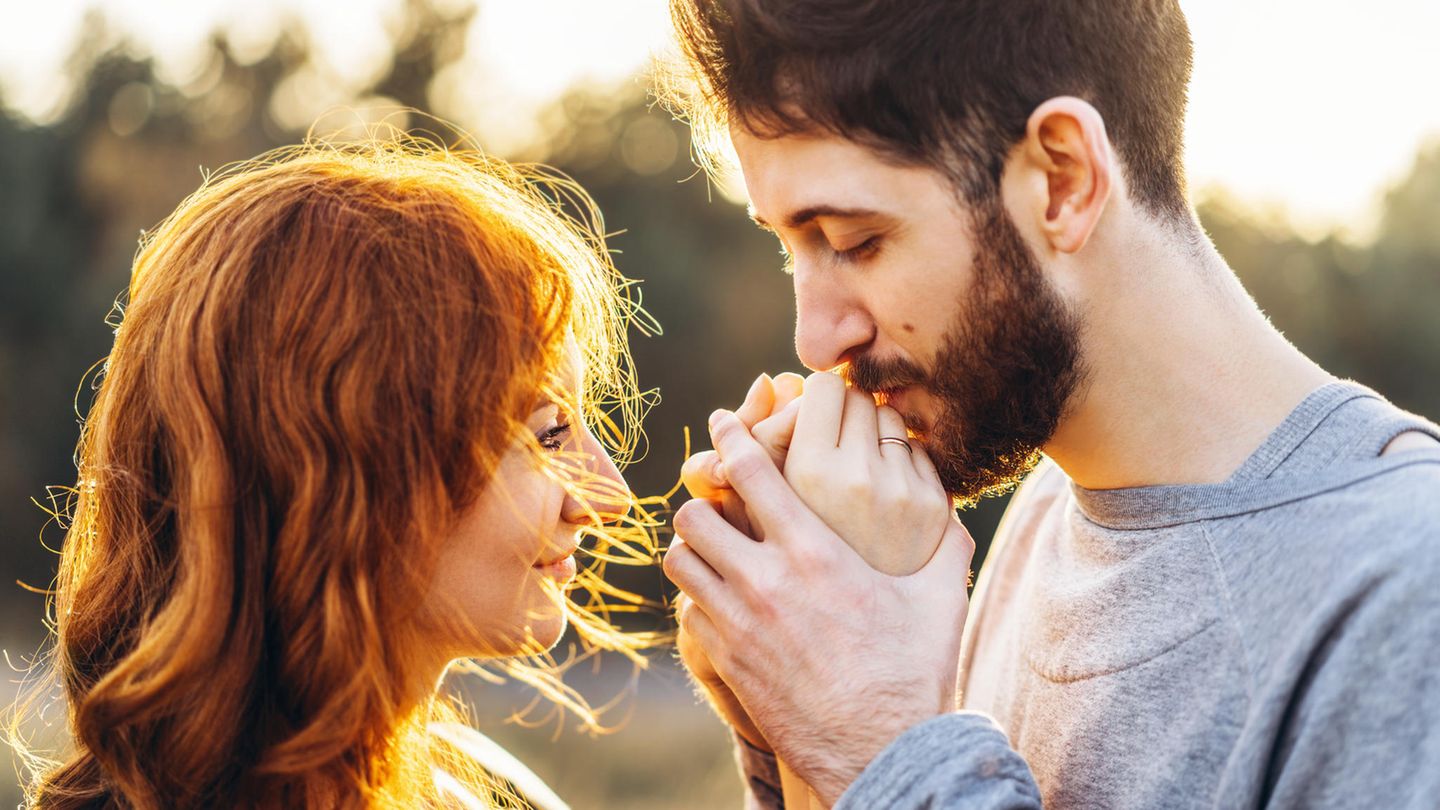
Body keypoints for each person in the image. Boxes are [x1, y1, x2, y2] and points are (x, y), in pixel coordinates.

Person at [658, 1, 1440, 808]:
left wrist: (876, 742)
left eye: (856, 241)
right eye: (788, 248)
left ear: (1063, 181)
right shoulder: (1044, 517)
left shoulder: (1409, 591)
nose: (816, 340)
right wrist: (794, 708)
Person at [9, 137, 663, 809]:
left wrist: (772, 745)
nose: (609, 496)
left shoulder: (486, 794)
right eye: (549, 434)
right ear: (357, 470)